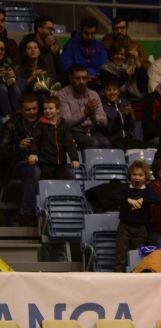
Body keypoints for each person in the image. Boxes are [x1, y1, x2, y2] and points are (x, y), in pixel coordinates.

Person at [114, 160, 161, 272]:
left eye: (140, 175)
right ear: (130, 175)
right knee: (120, 256)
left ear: (145, 176)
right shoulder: (125, 188)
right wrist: (128, 200)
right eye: (134, 174)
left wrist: (143, 199)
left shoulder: (148, 190)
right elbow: (114, 195)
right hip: (124, 227)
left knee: (137, 258)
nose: (137, 177)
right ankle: (117, 278)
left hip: (141, 229)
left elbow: (159, 200)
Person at [0, 93, 40, 225]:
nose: (32, 112)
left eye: (34, 109)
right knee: (33, 171)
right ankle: (24, 214)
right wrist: (18, 146)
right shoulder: (11, 124)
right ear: (21, 110)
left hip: (43, 162)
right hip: (16, 165)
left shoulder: (43, 121)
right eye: (28, 110)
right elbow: (2, 151)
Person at [58, 65, 110, 149]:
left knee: (105, 142)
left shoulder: (93, 94)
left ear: (88, 79)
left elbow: (104, 121)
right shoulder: (62, 94)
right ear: (71, 79)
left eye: (84, 78)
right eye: (78, 78)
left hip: (92, 131)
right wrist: (85, 114)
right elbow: (65, 123)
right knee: (93, 142)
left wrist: (94, 118)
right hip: (72, 132)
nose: (81, 81)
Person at [28, 95, 80, 180]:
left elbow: (69, 143)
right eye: (45, 109)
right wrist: (33, 153)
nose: (47, 111)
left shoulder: (63, 125)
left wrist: (74, 159)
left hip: (61, 164)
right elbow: (35, 140)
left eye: (50, 108)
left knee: (68, 178)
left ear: (58, 109)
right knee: (48, 184)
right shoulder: (40, 124)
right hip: (45, 164)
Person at [99, 79, 141, 150]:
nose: (112, 92)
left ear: (118, 91)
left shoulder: (125, 103)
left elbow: (133, 126)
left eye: (114, 89)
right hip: (113, 141)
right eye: (108, 90)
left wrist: (128, 116)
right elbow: (107, 130)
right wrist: (120, 117)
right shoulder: (102, 106)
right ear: (103, 92)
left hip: (128, 139)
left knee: (150, 147)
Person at [0, 39, 20, 117]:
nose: (0, 52)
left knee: (14, 87)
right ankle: (8, 116)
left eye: (2, 49)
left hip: (8, 94)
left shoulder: (7, 63)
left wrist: (13, 77)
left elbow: (15, 82)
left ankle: (19, 114)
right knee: (2, 87)